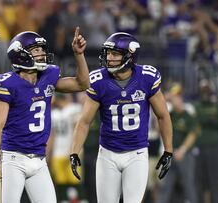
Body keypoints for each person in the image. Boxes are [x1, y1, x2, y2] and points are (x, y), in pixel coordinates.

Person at [0, 27, 89, 203]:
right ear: (20, 55)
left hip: (39, 160)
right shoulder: (7, 84)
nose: (41, 54)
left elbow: (82, 84)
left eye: (41, 49)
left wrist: (79, 55)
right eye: (36, 50)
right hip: (13, 158)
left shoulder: (48, 76)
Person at [69, 32, 173, 203]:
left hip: (136, 153)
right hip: (108, 154)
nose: (109, 57)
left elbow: (162, 115)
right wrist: (74, 151)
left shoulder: (147, 77)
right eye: (108, 53)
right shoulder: (99, 80)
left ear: (130, 57)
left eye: (115, 54)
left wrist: (168, 150)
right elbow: (84, 121)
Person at [157, 85, 199, 203]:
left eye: (178, 97)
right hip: (171, 154)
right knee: (166, 185)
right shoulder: (169, 114)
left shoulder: (188, 113)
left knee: (188, 184)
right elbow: (157, 126)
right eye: (174, 98)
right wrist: (162, 100)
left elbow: (193, 134)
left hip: (184, 155)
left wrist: (182, 149)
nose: (177, 100)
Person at [193, 79, 218, 203]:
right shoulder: (196, 106)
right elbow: (198, 119)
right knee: (200, 182)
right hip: (199, 148)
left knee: (215, 181)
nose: (205, 94)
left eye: (207, 91)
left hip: (214, 148)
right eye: (203, 91)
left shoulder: (217, 106)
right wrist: (210, 118)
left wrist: (206, 119)